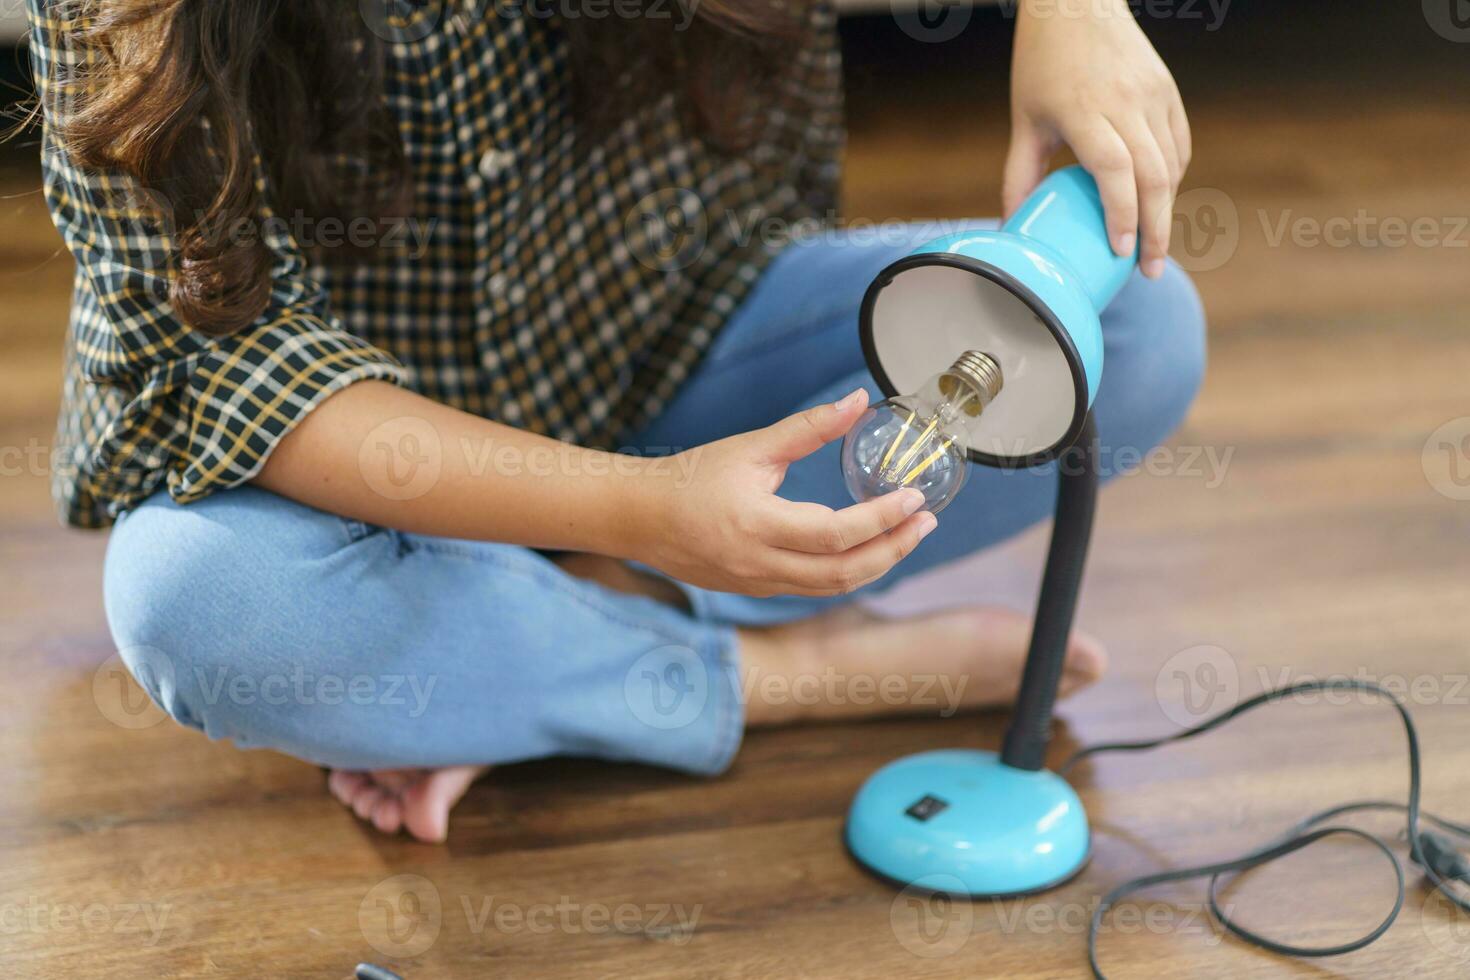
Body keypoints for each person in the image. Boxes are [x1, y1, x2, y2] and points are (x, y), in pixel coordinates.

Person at [28, 0, 1204, 843]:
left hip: (669, 334)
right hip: (345, 472)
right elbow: (234, 364)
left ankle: (528, 647)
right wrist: (648, 514)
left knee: (1132, 329)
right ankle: (774, 668)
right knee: (203, 604)